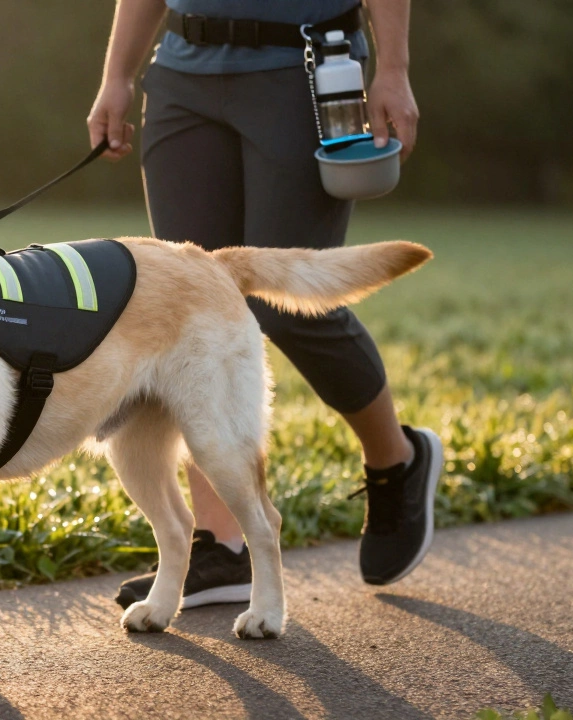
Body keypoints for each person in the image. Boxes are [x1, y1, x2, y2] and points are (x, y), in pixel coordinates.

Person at [86, 0, 442, 609]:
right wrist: (117, 74)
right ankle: (221, 546)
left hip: (301, 68)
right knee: (187, 308)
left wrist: (393, 68)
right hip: (183, 72)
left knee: (290, 306)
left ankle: (397, 459)